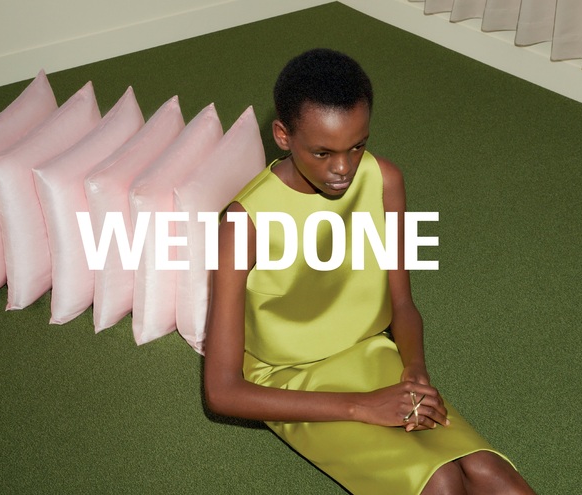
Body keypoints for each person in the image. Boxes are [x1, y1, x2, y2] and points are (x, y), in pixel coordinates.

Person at [203, 48, 535, 495]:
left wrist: (415, 370)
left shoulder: (385, 181)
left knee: (492, 474)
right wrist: (363, 407)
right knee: (439, 483)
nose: (343, 169)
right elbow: (222, 391)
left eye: (357, 146)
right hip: (288, 380)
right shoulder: (244, 224)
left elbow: (403, 303)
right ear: (282, 135)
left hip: (370, 354)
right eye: (322, 152)